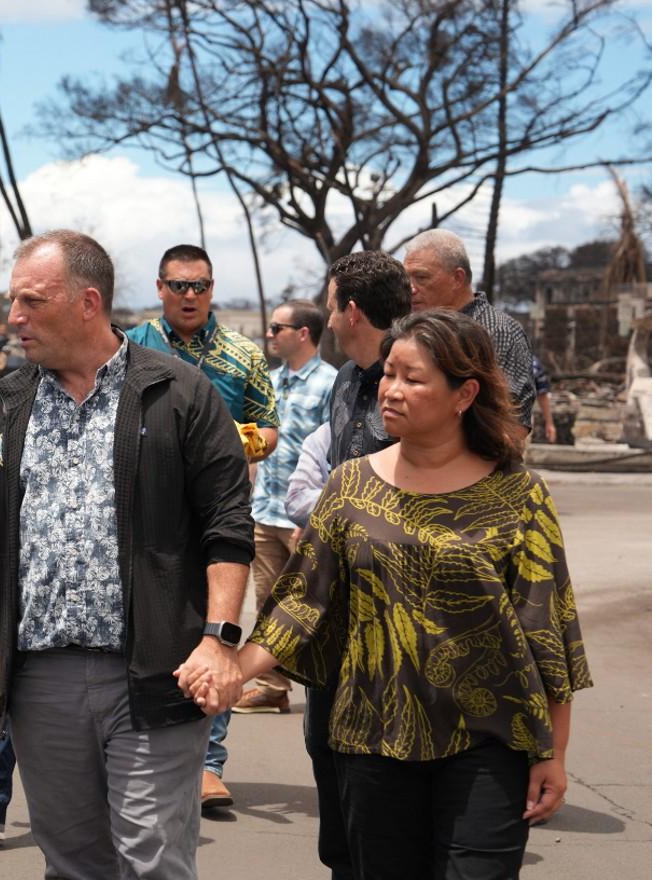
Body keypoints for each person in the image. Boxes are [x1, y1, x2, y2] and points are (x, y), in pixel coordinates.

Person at [220, 309, 592, 880]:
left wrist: (554, 753)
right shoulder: (350, 484)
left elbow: (547, 628)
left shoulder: (518, 493)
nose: (390, 391)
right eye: (388, 374)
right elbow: (301, 601)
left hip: (490, 743)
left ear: (464, 393)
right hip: (371, 739)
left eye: (412, 379)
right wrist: (230, 673)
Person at [0, 230, 253, 879]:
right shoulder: (7, 402)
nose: (14, 318)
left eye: (31, 301)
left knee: (151, 860)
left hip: (155, 674)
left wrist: (217, 638)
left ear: (89, 303)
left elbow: (228, 528)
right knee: (73, 863)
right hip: (40, 681)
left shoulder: (181, 395)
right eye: (13, 301)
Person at [126, 243, 279, 808]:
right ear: (160, 288)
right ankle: (143, 751)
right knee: (143, 628)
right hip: (143, 509)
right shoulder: (130, 347)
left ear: (212, 289)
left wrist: (237, 439)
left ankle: (208, 763)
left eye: (200, 286)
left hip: (217, 510)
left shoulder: (242, 354)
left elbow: (269, 429)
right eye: (179, 285)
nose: (190, 296)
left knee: (216, 630)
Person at [309, 249, 414, 879]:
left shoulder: (416, 386)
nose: (327, 322)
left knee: (382, 771)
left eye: (329, 309)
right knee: (324, 748)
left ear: (351, 310)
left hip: (398, 615)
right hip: (332, 610)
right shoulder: (346, 380)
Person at [235, 300, 336, 715]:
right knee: (266, 604)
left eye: (278, 328)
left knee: (317, 608)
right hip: (265, 511)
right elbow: (254, 445)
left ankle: (326, 690)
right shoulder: (268, 381)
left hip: (304, 518)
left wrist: (312, 517)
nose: (270, 334)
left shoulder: (332, 382)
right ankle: (273, 687)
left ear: (304, 334)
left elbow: (337, 454)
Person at [403, 229, 535, 431]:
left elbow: (511, 423)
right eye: (407, 278)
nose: (411, 288)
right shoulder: (412, 329)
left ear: (457, 278)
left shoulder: (497, 331)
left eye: (421, 277)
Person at [534, 354, 558, 443]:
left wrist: (549, 423)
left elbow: (542, 394)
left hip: (521, 421)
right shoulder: (534, 362)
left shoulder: (534, 364)